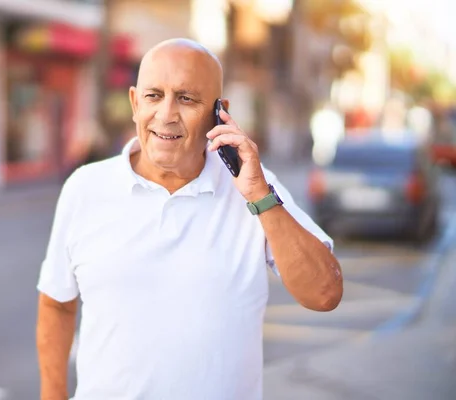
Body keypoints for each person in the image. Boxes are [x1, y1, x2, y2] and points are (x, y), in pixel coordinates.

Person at [36, 38, 343, 400]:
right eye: (154, 95)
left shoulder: (257, 189)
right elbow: (56, 303)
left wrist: (260, 196)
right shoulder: (84, 187)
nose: (166, 114)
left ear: (219, 112)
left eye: (186, 98)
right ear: (135, 103)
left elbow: (324, 294)